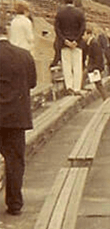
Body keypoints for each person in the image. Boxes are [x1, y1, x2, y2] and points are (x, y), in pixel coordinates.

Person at [0, 18, 37, 215]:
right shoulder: (24, 55)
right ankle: (14, 204)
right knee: (14, 161)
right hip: (15, 117)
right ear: (6, 30)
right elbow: (32, 83)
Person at [54, 0, 86, 95]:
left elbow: (57, 29)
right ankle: (77, 88)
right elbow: (83, 28)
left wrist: (65, 40)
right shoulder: (79, 13)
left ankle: (69, 86)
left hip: (65, 44)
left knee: (67, 65)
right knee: (77, 66)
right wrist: (76, 40)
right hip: (77, 44)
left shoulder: (60, 13)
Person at [82, 28, 107, 100]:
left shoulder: (94, 43)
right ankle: (106, 99)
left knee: (99, 85)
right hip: (94, 67)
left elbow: (98, 57)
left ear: (89, 34)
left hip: (95, 68)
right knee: (98, 85)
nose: (83, 37)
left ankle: (106, 99)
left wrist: (95, 68)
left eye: (84, 35)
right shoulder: (91, 43)